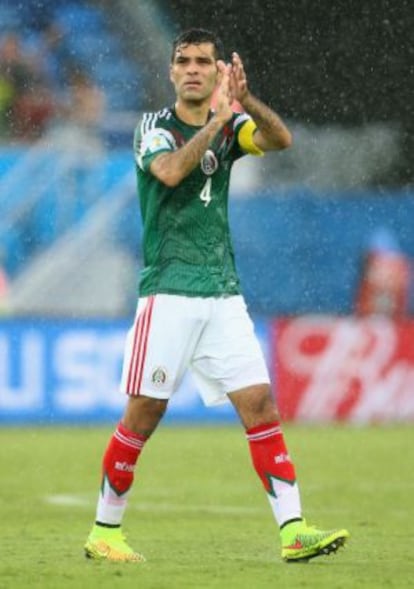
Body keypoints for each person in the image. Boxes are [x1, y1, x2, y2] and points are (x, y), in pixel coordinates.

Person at [84, 28, 349, 564]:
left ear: (218, 72)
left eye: (204, 62)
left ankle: (293, 529)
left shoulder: (229, 125)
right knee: (145, 412)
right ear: (171, 71)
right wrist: (222, 121)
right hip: (169, 292)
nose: (192, 69)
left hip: (222, 293)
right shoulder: (153, 128)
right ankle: (104, 531)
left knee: (260, 403)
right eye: (183, 61)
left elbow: (280, 141)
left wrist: (246, 103)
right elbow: (170, 170)